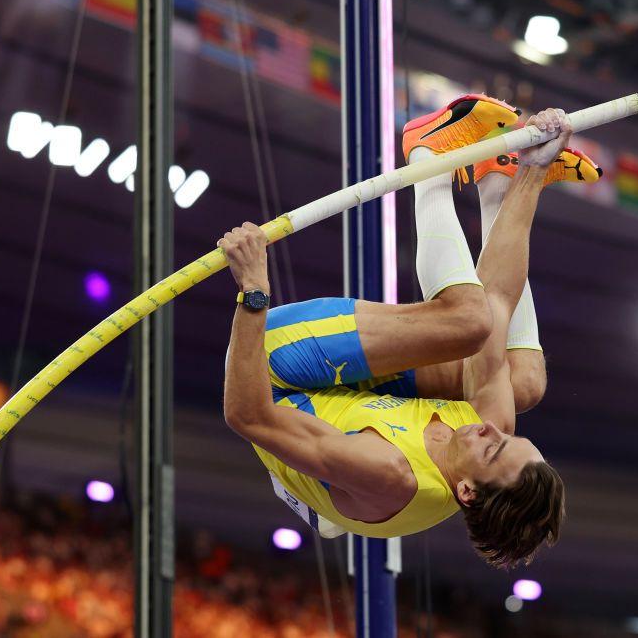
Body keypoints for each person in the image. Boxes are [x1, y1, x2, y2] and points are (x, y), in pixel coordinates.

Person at [221, 96, 600, 568]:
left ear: (464, 490)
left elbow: (246, 415)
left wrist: (254, 291)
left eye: (494, 446)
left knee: (467, 322)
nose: (490, 428)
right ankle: (495, 177)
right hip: (358, 405)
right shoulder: (484, 437)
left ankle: (428, 153)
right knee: (522, 380)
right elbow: (500, 297)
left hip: (274, 380)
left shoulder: (389, 473)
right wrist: (532, 173)